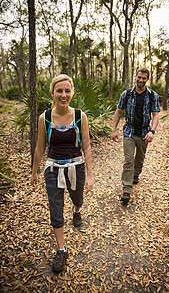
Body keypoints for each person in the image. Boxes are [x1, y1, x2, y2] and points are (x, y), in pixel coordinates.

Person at [31, 74, 93, 273]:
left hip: (76, 167)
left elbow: (87, 146)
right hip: (52, 169)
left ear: (72, 92)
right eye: (59, 90)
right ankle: (61, 249)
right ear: (53, 93)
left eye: (67, 90)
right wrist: (34, 172)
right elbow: (40, 148)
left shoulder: (79, 116)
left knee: (78, 198)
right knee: (55, 209)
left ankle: (77, 210)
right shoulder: (45, 118)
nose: (63, 94)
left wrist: (90, 175)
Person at [112, 67, 160, 203]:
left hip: (145, 132)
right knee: (128, 160)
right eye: (139, 77)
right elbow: (118, 112)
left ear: (147, 79)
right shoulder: (126, 94)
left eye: (144, 78)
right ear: (136, 77)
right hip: (129, 131)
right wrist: (114, 130)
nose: (141, 80)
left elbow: (156, 114)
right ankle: (126, 189)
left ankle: (136, 173)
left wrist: (152, 131)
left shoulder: (152, 95)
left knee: (140, 158)